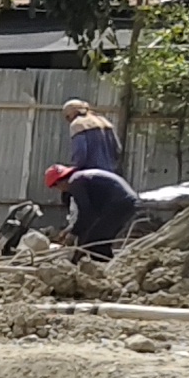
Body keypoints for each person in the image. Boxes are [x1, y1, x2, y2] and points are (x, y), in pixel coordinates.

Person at [51, 97, 139, 258]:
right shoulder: (105, 122)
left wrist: (75, 176)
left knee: (87, 225)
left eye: (67, 117)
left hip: (89, 180)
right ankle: (87, 259)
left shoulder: (77, 125)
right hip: (108, 179)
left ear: (71, 114)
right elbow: (117, 150)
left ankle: (79, 258)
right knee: (100, 232)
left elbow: (81, 155)